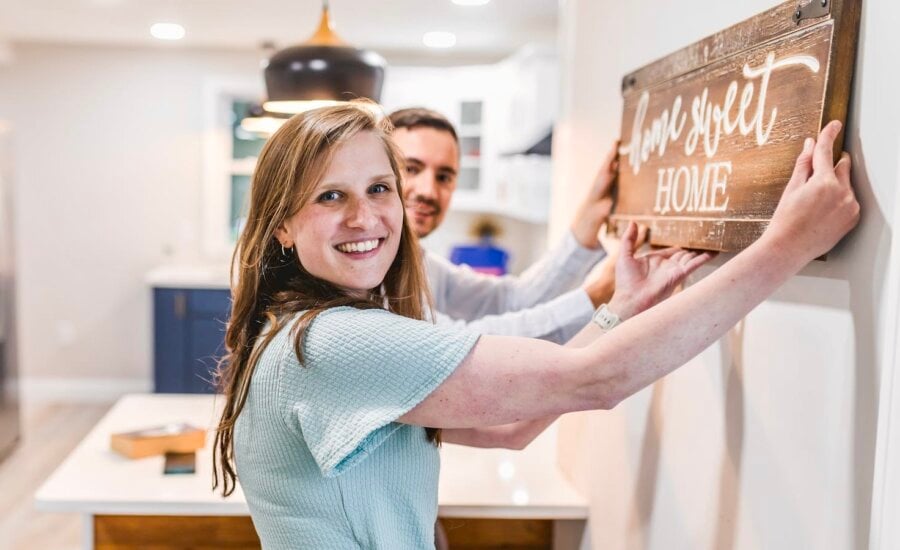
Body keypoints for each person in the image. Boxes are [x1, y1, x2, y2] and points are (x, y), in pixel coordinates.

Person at [213, 103, 858, 548]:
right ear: (282, 225)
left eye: (379, 188)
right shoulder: (331, 342)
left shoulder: (324, 327)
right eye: (331, 196)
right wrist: (786, 247)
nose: (366, 216)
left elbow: (508, 426)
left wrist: (621, 308)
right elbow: (594, 380)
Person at [389, 107, 619, 343]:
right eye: (411, 168)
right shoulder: (374, 276)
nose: (428, 190)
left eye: (444, 177)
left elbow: (512, 299)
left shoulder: (418, 261)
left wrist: (588, 221)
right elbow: (462, 345)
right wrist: (601, 292)